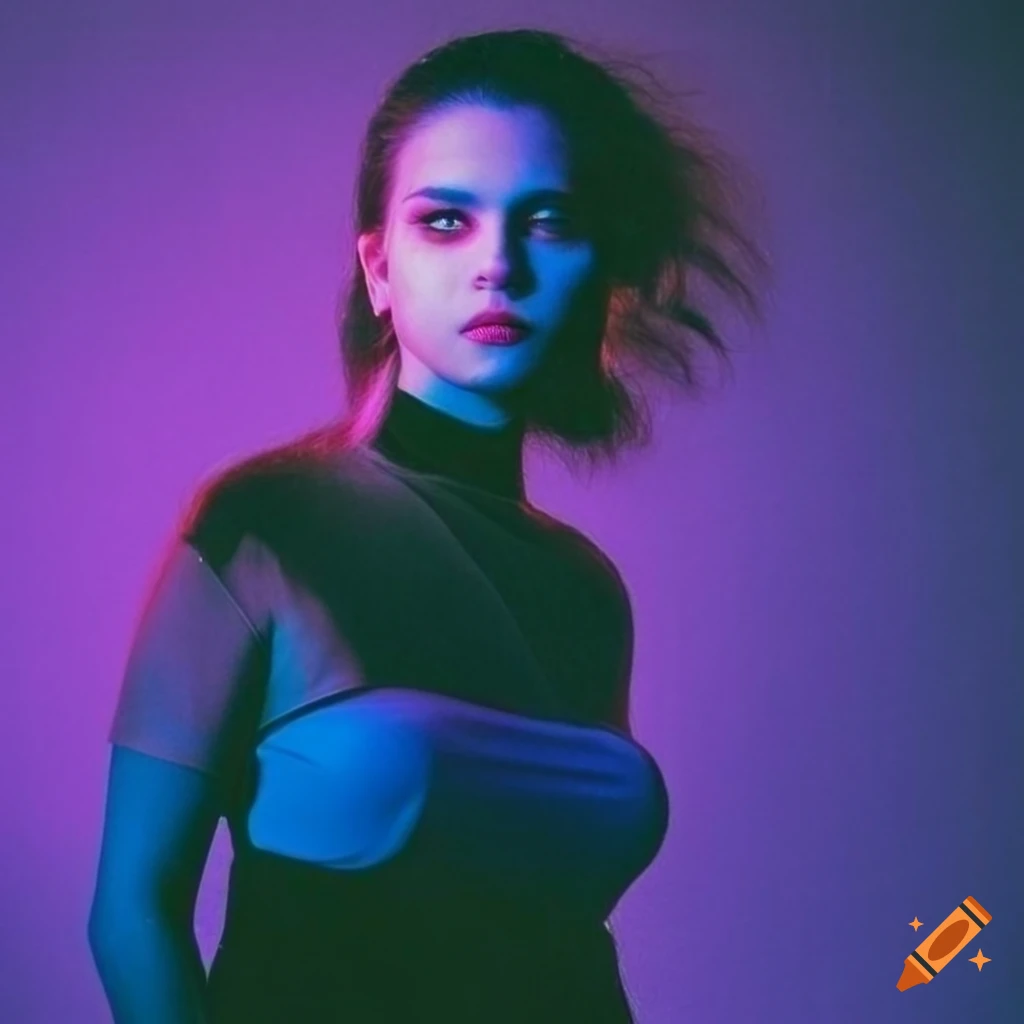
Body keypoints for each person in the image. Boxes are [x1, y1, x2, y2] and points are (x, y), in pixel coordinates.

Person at [87, 27, 766, 1024]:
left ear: (597, 265)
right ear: (378, 267)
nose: (497, 264)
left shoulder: (587, 587)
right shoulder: (264, 525)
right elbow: (132, 912)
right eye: (445, 221)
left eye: (546, 220)